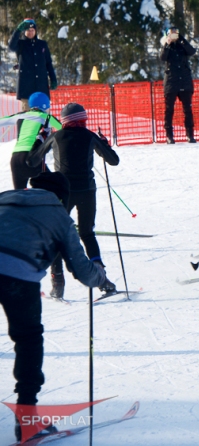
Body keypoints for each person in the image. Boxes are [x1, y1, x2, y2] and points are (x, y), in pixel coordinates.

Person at [0, 171, 106, 441]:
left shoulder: (4, 198)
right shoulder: (59, 215)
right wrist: (100, 275)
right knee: (28, 340)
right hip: (17, 276)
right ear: (62, 198)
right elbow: (82, 271)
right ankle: (26, 420)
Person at [26, 103, 120, 297]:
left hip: (63, 193)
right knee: (87, 233)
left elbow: (32, 160)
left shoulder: (56, 136)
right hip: (87, 191)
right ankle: (102, 279)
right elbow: (113, 160)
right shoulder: (89, 135)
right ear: (83, 119)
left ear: (64, 121)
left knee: (57, 236)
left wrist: (40, 138)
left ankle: (58, 283)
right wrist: (104, 143)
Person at [0, 92, 62, 189]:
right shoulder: (47, 117)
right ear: (45, 105)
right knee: (53, 187)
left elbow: (2, 121)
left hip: (15, 160)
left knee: (20, 194)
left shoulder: (21, 115)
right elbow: (65, 129)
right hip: (33, 158)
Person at [8, 19, 57, 111]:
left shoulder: (42, 44)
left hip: (42, 89)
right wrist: (17, 31)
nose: (30, 32)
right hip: (26, 90)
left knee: (43, 116)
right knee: (27, 116)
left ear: (35, 31)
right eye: (28, 30)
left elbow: (48, 63)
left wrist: (53, 79)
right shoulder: (20, 44)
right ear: (24, 31)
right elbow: (11, 47)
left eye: (32, 30)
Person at [159, 26, 197, 144]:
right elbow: (162, 57)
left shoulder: (182, 45)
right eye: (172, 34)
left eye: (176, 33)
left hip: (184, 81)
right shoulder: (166, 46)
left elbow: (192, 51)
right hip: (171, 81)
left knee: (188, 109)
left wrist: (182, 40)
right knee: (169, 109)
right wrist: (167, 44)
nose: (174, 36)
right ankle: (169, 136)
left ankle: (190, 135)